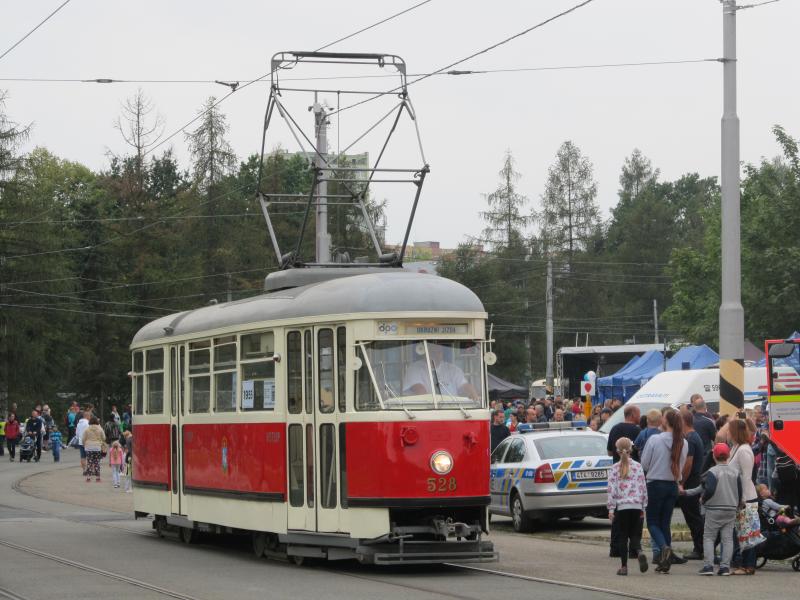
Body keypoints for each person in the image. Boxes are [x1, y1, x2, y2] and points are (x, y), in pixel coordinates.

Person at [682, 443, 743, 576]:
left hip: (715, 508)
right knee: (727, 538)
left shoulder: (713, 472)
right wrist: (737, 504)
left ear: (714, 456)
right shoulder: (735, 472)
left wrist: (703, 499)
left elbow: (709, 489)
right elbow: (739, 490)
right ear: (728, 456)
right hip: (731, 508)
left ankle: (708, 566)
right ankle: (725, 567)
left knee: (709, 537)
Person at [640, 409, 688, 573]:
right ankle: (665, 560)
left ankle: (664, 548)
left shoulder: (655, 440)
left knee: (652, 522)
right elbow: (681, 466)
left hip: (655, 484)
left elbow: (644, 464)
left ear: (665, 422)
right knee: (665, 522)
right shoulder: (683, 442)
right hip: (672, 484)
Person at [607, 437, 649, 576]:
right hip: (636, 506)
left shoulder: (614, 468)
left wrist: (611, 509)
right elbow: (643, 487)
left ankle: (624, 567)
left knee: (623, 536)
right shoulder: (638, 466)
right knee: (635, 535)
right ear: (631, 449)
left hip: (622, 507)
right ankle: (639, 552)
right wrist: (643, 507)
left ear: (617, 451)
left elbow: (611, 490)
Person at [606, 404, 641, 558]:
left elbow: (608, 451)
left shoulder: (614, 429)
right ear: (632, 414)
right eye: (638, 414)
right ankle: (634, 550)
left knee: (618, 522)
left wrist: (610, 507)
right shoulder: (637, 431)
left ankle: (615, 549)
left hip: (619, 478)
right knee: (634, 523)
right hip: (633, 482)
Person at [728, 418, 758, 575]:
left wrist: (742, 500)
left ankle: (748, 565)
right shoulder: (736, 448)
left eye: (729, 430)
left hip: (746, 498)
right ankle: (743, 564)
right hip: (738, 496)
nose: (727, 432)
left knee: (747, 532)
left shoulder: (744, 450)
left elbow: (746, 477)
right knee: (742, 531)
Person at [402, 343, 478, 399]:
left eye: (439, 352)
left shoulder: (452, 369)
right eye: (433, 352)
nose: (436, 355)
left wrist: (473, 395)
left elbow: (465, 385)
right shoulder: (414, 368)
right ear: (426, 354)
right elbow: (420, 391)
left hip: (454, 409)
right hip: (427, 411)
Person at [678, 411, 706, 560]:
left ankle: (699, 548)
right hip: (694, 480)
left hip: (690, 482)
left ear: (683, 422)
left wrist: (681, 482)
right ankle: (700, 547)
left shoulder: (690, 439)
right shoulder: (693, 437)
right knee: (694, 516)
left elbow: (688, 463)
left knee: (693, 517)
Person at [81, 416, 106, 483]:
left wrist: (84, 445)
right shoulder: (100, 429)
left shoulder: (87, 429)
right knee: (97, 462)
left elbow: (83, 439)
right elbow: (104, 438)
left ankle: (88, 478)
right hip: (97, 447)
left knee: (89, 462)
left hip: (89, 447)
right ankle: (98, 478)